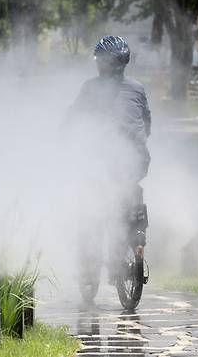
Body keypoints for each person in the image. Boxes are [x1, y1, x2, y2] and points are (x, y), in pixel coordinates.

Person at [66, 35, 151, 279]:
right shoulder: (137, 88)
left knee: (91, 200)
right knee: (132, 192)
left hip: (103, 162)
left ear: (101, 63)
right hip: (138, 160)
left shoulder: (91, 88)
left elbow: (73, 119)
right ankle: (137, 239)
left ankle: (92, 251)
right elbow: (147, 122)